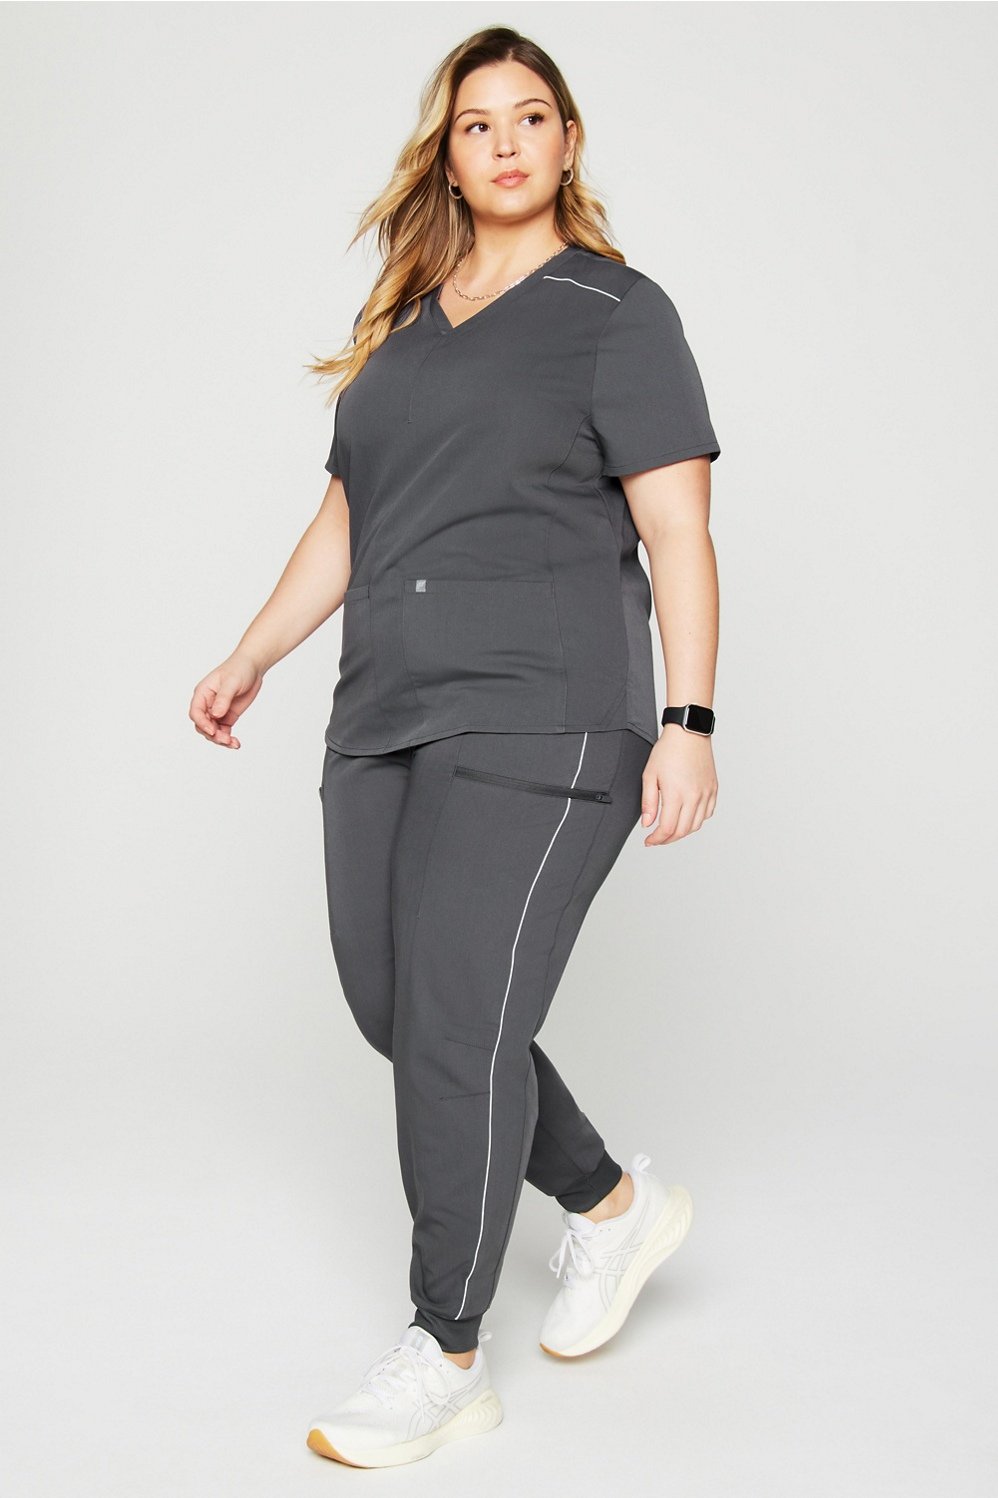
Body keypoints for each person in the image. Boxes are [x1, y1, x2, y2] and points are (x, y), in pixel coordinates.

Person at [189, 26, 721, 1470]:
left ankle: (445, 1352)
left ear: (566, 140)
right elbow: (348, 518)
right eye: (477, 122)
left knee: (451, 1024)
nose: (504, 142)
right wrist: (251, 652)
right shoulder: (407, 324)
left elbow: (677, 526)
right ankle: (610, 1207)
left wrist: (687, 721)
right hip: (384, 711)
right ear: (448, 151)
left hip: (548, 708)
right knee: (398, 1008)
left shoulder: (617, 311)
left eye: (529, 116)